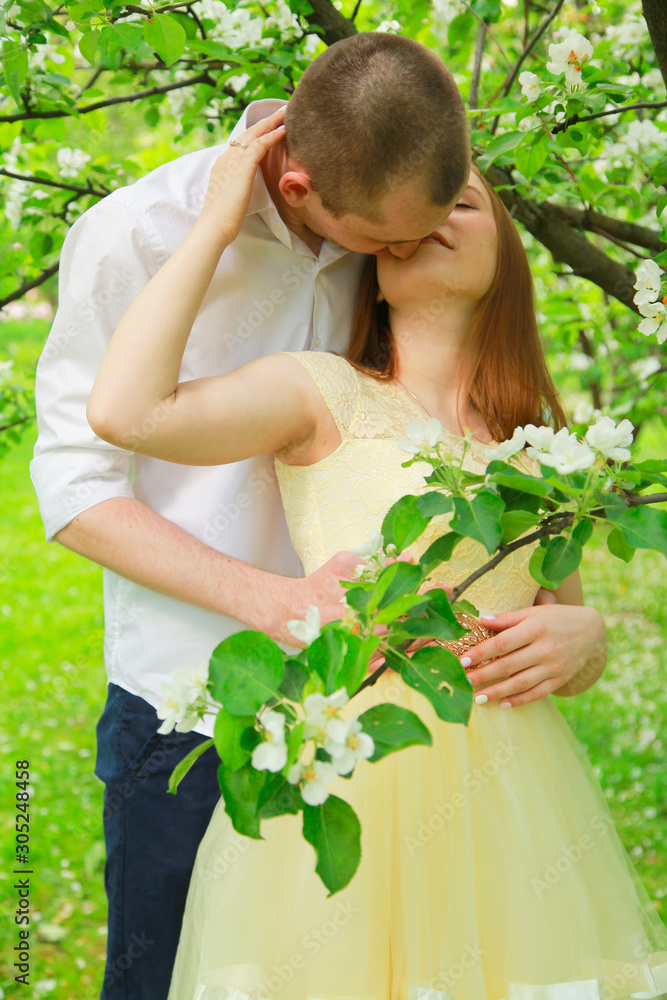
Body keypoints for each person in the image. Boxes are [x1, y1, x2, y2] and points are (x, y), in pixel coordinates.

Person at [87, 112, 667, 999]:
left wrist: (583, 639)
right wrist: (212, 224)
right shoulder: (323, 390)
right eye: (409, 219)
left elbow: (555, 620)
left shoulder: (541, 448)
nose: (432, 218)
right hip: (356, 765)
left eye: (463, 201)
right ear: (377, 263)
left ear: (507, 255)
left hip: (509, 794)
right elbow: (130, 415)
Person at [30, 32, 477, 999]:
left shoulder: (415, 224)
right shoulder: (134, 237)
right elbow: (73, 486)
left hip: (373, 711)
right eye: (382, 242)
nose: (405, 256)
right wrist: (272, 599)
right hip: (190, 709)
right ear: (298, 186)